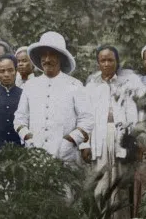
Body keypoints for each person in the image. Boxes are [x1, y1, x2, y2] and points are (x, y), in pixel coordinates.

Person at [14, 31, 94, 166]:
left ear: (61, 58)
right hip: (35, 155)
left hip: (65, 155)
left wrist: (70, 140)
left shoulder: (74, 85)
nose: (47, 59)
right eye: (43, 55)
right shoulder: (30, 86)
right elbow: (19, 118)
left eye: (52, 55)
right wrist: (28, 137)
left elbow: (87, 119)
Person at [85, 45, 140, 219]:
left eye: (110, 60)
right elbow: (86, 117)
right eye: (103, 60)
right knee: (100, 182)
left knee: (119, 179)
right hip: (98, 136)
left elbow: (132, 114)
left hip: (119, 136)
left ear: (117, 62)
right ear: (98, 63)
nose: (107, 64)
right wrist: (86, 144)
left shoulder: (125, 85)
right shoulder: (91, 87)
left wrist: (130, 138)